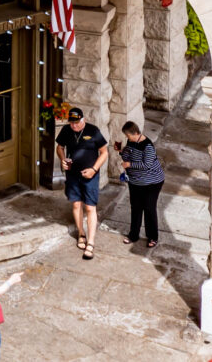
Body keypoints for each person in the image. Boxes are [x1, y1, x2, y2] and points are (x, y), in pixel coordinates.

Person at [56, 105, 108, 258]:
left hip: (90, 175)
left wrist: (94, 169)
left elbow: (104, 152)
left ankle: (91, 242)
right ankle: (81, 233)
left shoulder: (93, 131)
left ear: (83, 119)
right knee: (76, 204)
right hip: (72, 174)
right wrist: (62, 159)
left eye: (77, 122)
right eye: (72, 123)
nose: (74, 126)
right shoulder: (66, 130)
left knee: (90, 207)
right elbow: (59, 147)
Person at [115, 120, 166, 248]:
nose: (127, 138)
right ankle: (133, 235)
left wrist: (129, 165)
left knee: (149, 208)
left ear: (136, 133)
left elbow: (146, 165)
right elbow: (128, 155)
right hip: (135, 181)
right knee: (136, 207)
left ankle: (152, 237)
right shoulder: (131, 141)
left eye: (128, 136)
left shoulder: (147, 146)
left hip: (152, 182)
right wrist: (121, 152)